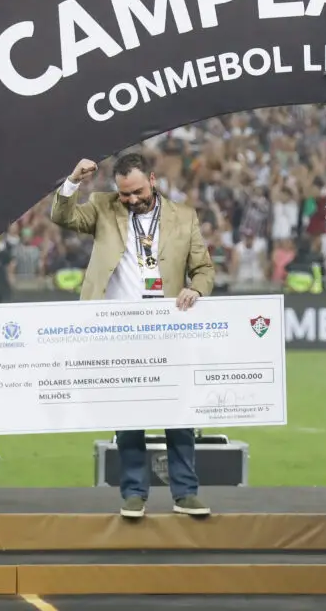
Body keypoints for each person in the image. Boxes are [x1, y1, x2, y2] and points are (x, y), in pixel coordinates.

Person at [51, 151, 216, 519]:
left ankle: (185, 493)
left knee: (179, 414)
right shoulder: (102, 207)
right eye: (125, 193)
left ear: (153, 180)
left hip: (168, 328)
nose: (131, 199)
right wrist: (74, 180)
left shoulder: (183, 217)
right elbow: (62, 215)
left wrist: (197, 289)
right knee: (128, 419)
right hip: (118, 331)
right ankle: (133, 494)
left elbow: (204, 268)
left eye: (138, 191)